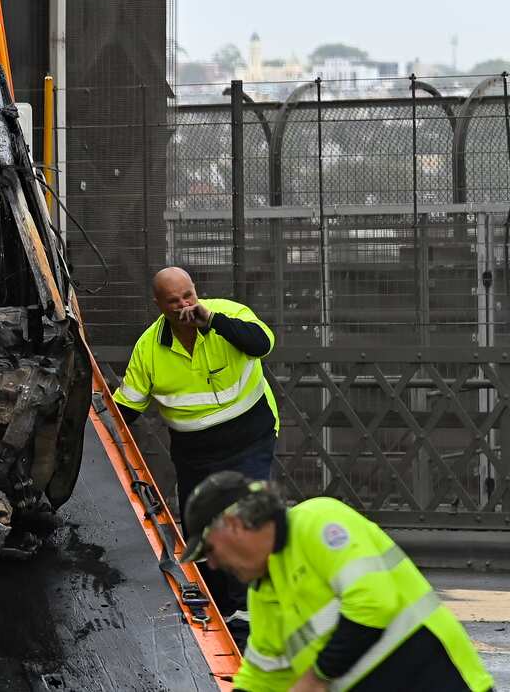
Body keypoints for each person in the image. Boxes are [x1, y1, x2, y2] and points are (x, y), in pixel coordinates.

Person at [179, 471, 493, 692]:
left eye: (210, 550)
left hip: (439, 679)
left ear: (233, 525)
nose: (215, 564)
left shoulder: (317, 521)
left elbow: (373, 601)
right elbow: (261, 678)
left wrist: (317, 677)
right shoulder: (263, 596)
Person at [113, 266, 278, 623]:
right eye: (173, 301)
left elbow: (261, 344)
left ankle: (251, 612)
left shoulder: (229, 315)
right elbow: (127, 406)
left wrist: (212, 322)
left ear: (196, 291)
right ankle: (223, 611)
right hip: (195, 454)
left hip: (250, 439)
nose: (183, 305)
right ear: (159, 305)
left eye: (187, 296)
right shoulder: (149, 349)